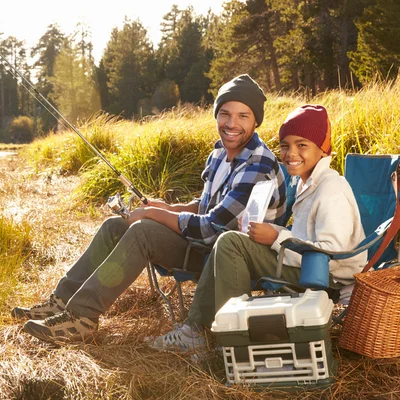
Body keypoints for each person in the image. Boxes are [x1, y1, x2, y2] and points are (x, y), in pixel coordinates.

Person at [12, 74, 287, 343]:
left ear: (256, 121)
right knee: (115, 226)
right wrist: (166, 206)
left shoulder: (258, 163)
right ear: (216, 114)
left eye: (243, 116)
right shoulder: (219, 154)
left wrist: (152, 214)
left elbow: (209, 228)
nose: (231, 123)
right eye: (225, 113)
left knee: (143, 230)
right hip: (202, 246)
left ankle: (80, 319)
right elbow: (203, 206)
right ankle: (60, 302)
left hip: (226, 259)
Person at [150, 104, 367, 352]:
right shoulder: (307, 182)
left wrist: (277, 236)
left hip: (327, 277)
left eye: (302, 145)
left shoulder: (331, 189)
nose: (290, 153)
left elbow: (332, 253)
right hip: (305, 263)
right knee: (230, 240)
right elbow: (307, 237)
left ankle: (231, 340)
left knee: (231, 243)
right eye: (285, 146)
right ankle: (200, 329)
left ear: (323, 149)